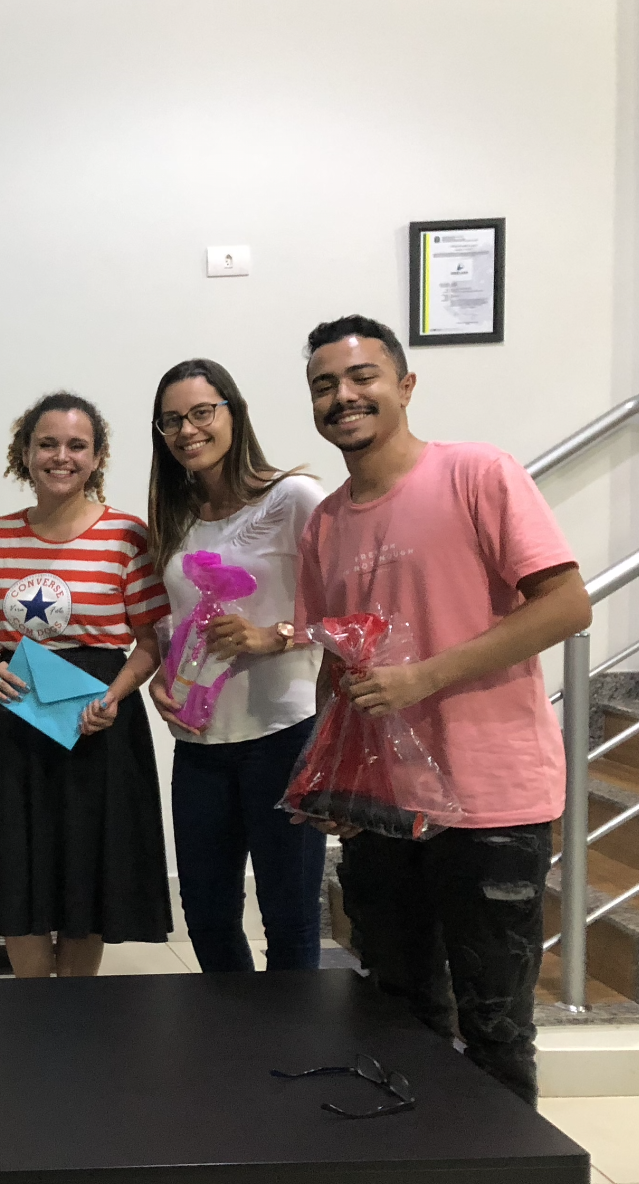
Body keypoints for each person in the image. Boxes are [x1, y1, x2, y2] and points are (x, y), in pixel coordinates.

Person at [293, 314, 590, 1104]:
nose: (343, 396)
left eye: (362, 377)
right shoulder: (325, 524)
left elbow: (566, 606)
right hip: (383, 810)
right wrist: (331, 778)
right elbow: (335, 664)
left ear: (405, 385)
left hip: (493, 803)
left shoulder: (477, 473)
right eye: (325, 385)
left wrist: (424, 678)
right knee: (395, 1018)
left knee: (495, 1028)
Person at [0, 392, 172, 978]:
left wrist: (116, 695)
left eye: (77, 445)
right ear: (23, 454)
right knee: (20, 867)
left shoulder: (128, 536)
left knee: (88, 870)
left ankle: (76, 1009)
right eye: (47, 443)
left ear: (97, 456)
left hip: (100, 721)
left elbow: (151, 640)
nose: (61, 456)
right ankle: (34, 1006)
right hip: (22, 720)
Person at [143, 359, 327, 972]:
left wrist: (272, 637)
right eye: (172, 421)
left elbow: (349, 609)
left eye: (202, 412)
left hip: (282, 733)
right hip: (199, 741)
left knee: (290, 914)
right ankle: (234, 1045)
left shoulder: (293, 497)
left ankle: (292, 1052)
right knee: (207, 912)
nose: (187, 430)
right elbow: (173, 622)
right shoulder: (173, 517)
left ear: (234, 412)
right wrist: (160, 680)